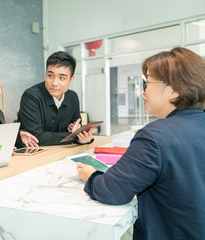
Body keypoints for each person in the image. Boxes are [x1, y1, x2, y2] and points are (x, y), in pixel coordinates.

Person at [77, 47, 205, 239]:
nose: (143, 92)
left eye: (147, 83)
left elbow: (112, 191)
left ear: (174, 91)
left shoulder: (155, 136)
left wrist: (90, 176)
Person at [17, 51, 94, 146]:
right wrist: (71, 136)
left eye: (61, 78)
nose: (54, 83)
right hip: (33, 155)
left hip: (62, 153)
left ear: (71, 80)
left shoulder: (73, 97)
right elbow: (36, 138)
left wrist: (81, 138)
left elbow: (77, 131)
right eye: (50, 76)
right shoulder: (31, 96)